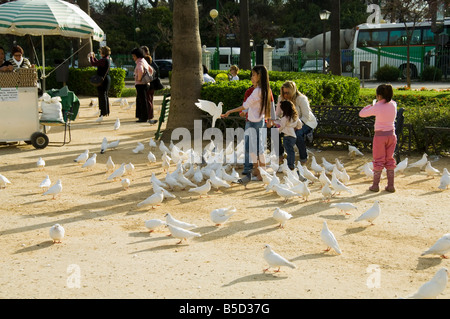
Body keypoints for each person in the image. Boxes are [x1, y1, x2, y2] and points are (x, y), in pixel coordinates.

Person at [221, 65, 273, 183]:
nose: (252, 77)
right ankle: (259, 173)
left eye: (254, 75)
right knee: (257, 149)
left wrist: (229, 111)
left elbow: (245, 106)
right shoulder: (266, 89)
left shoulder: (257, 91)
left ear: (259, 76)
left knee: (255, 149)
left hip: (253, 122)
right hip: (259, 121)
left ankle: (259, 173)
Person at [359, 84, 397, 192]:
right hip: (392, 135)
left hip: (380, 136)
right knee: (390, 159)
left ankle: (375, 185)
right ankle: (391, 185)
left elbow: (361, 114)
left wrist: (370, 106)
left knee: (379, 160)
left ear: (379, 95)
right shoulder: (394, 104)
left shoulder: (377, 106)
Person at [276, 81, 317, 164]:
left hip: (306, 122)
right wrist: (276, 124)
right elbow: (277, 114)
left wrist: (295, 126)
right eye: (284, 93)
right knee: (275, 132)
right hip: (288, 123)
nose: (285, 95)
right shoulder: (281, 99)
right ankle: (280, 155)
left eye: (287, 93)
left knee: (298, 133)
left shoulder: (301, 99)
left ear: (293, 91)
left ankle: (303, 158)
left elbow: (306, 116)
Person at [276, 100, 302, 171]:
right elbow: (300, 125)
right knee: (291, 151)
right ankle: (291, 164)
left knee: (289, 151)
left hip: (287, 136)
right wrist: (295, 128)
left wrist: (277, 129)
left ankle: (290, 165)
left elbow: (281, 126)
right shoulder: (295, 117)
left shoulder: (285, 118)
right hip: (293, 136)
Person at [131, 47, 152, 122]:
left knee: (142, 101)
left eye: (133, 56)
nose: (133, 58)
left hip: (140, 84)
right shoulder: (144, 61)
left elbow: (140, 70)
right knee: (143, 100)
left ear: (137, 55)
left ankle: (143, 117)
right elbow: (151, 70)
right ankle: (143, 116)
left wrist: (138, 78)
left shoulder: (139, 63)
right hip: (146, 83)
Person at [89, 46, 112, 117]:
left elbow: (93, 63)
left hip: (102, 80)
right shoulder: (106, 59)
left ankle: (103, 112)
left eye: (101, 51)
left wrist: (90, 57)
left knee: (102, 96)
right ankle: (106, 111)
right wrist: (94, 57)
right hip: (106, 79)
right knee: (105, 95)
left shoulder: (104, 60)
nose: (100, 52)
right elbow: (98, 62)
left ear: (103, 52)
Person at [141, 46, 158, 124]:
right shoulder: (148, 61)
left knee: (148, 100)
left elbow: (155, 70)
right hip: (150, 85)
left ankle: (149, 115)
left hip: (149, 85)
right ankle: (149, 115)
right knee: (149, 100)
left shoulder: (148, 62)